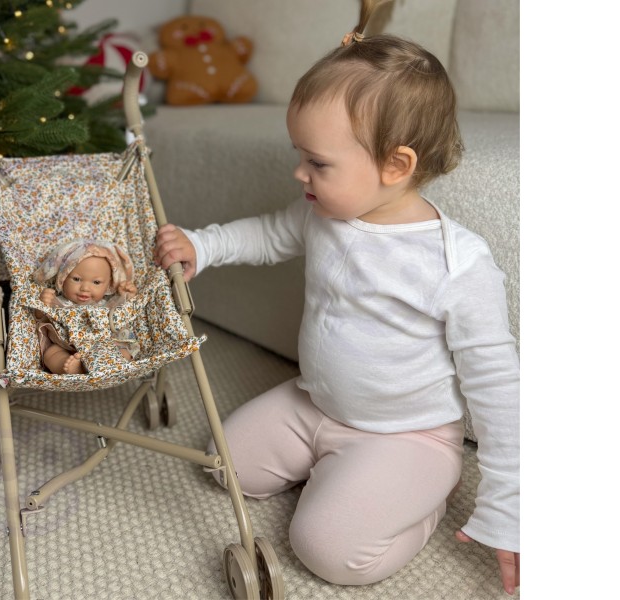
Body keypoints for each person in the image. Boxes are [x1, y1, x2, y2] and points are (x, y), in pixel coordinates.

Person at [154, 0, 519, 594]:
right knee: (225, 465)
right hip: (316, 403)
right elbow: (268, 234)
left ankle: (421, 498)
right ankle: (340, 473)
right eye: (299, 156)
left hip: (407, 436)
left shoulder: (456, 263)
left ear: (396, 164)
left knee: (325, 548)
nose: (300, 174)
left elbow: (497, 385)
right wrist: (202, 244)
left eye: (317, 163)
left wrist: (511, 500)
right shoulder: (323, 212)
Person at [32, 238, 139, 374]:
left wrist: (127, 296)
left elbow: (124, 313)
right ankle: (73, 369)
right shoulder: (57, 301)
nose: (85, 288)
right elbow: (40, 320)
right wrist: (42, 305)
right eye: (77, 279)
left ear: (108, 286)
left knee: (123, 352)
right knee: (50, 353)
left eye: (96, 282)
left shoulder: (106, 304)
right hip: (67, 347)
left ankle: (104, 365)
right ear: (63, 278)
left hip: (101, 347)